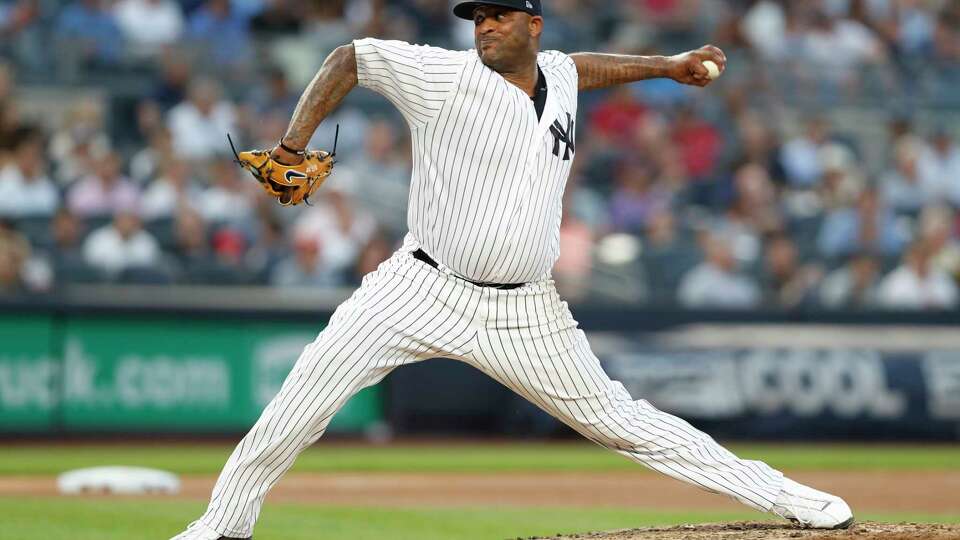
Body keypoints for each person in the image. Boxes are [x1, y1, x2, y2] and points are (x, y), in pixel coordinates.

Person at [172, 2, 853, 538]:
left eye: (500, 14)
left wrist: (666, 65)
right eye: (478, 16)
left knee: (623, 421)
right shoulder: (443, 76)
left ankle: (782, 495)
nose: (486, 24)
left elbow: (582, 68)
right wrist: (293, 145)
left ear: (533, 24)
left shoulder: (555, 72)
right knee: (301, 400)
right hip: (419, 286)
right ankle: (221, 526)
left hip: (526, 310)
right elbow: (350, 57)